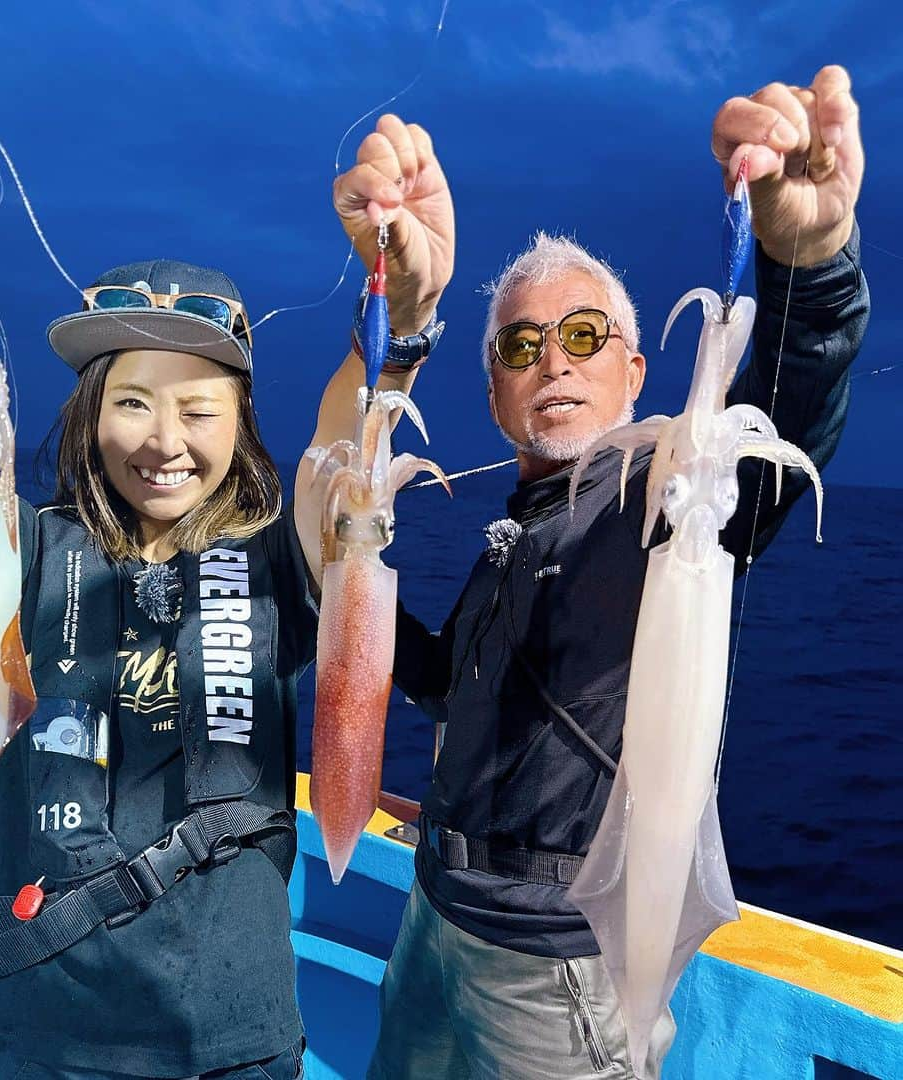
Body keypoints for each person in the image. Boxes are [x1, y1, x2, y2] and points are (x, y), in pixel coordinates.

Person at [0, 96, 452, 1079]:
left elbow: (351, 449)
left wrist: (407, 316)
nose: (164, 441)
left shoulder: (280, 564)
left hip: (226, 1049)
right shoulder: (25, 548)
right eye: (131, 402)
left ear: (241, 419)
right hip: (14, 1040)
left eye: (198, 408)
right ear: (88, 417)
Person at [345, 67, 870, 1080]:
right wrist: (353, 584)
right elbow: (451, 687)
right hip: (437, 914)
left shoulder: (664, 493)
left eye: (585, 336)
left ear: (634, 371)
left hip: (555, 971)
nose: (556, 361)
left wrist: (809, 269)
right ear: (495, 394)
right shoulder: (519, 531)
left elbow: (784, 404)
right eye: (523, 345)